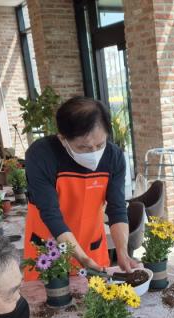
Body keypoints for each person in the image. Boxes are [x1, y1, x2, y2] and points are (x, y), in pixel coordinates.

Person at [24, 97, 137, 276]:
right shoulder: (41, 155)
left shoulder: (113, 157)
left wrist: (122, 251)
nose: (94, 153)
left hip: (92, 245)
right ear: (63, 138)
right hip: (47, 251)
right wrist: (82, 259)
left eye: (100, 145)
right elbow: (51, 214)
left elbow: (117, 209)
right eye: (83, 148)